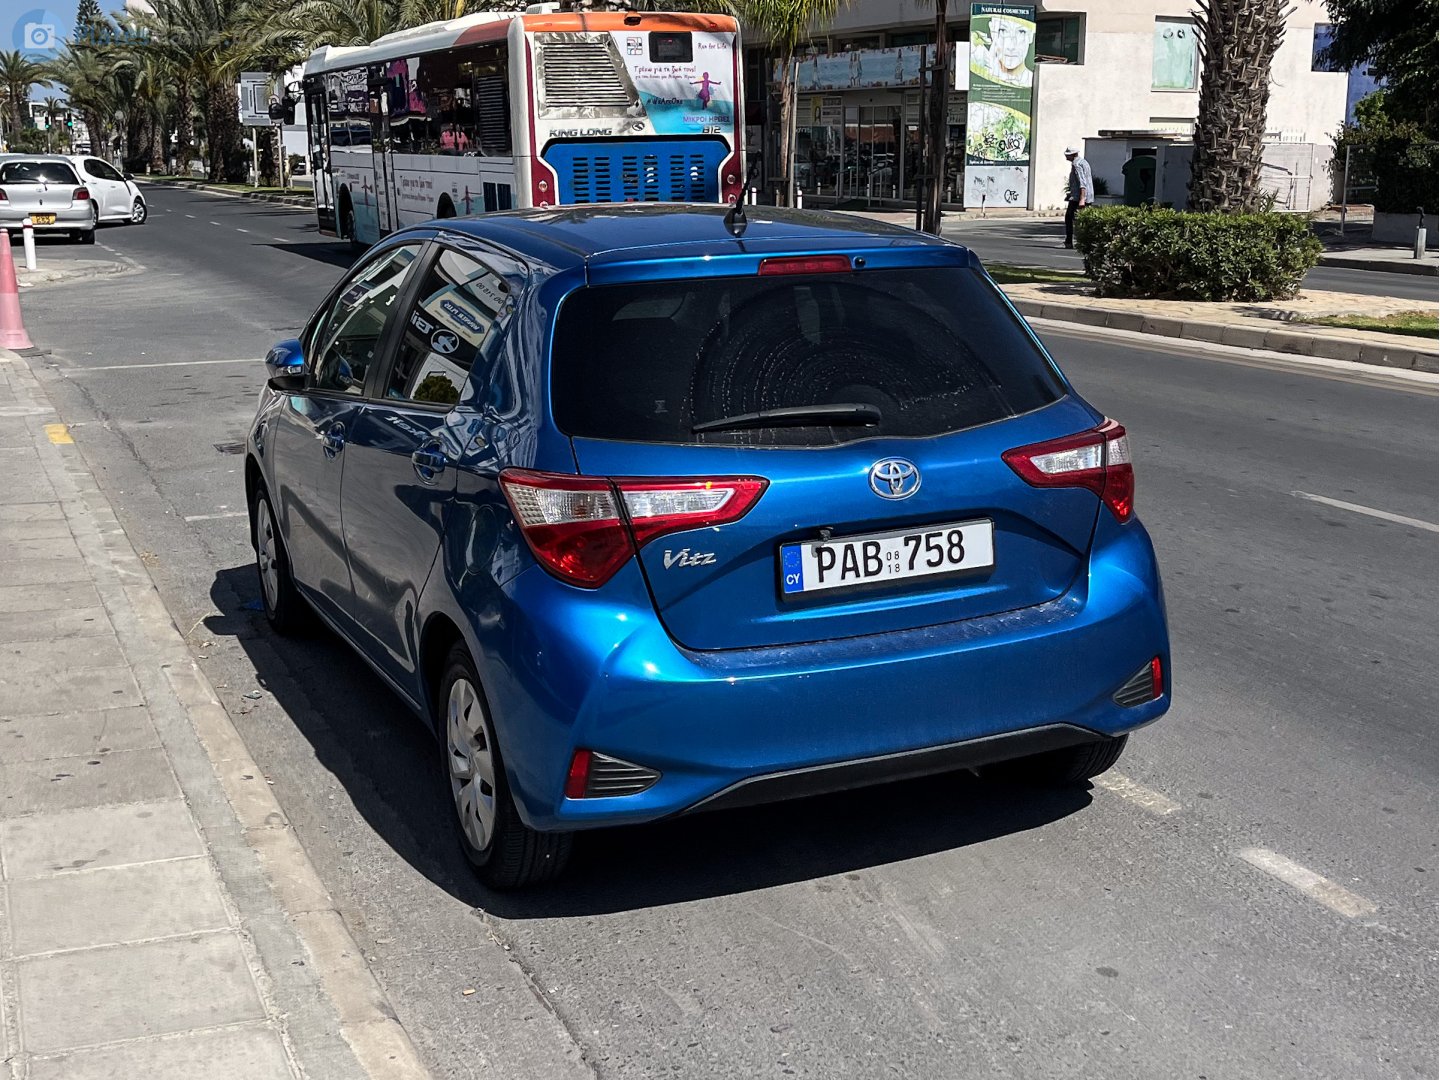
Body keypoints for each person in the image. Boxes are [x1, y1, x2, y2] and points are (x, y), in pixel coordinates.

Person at [1063, 146, 1093, 249]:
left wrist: (1081, 198)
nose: (1066, 156)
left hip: (1079, 197)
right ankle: (1086, 241)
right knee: (1084, 219)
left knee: (1069, 217)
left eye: (1068, 154)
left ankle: (1069, 240)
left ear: (1073, 155)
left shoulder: (1077, 164)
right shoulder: (1084, 162)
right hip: (1084, 195)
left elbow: (1082, 182)